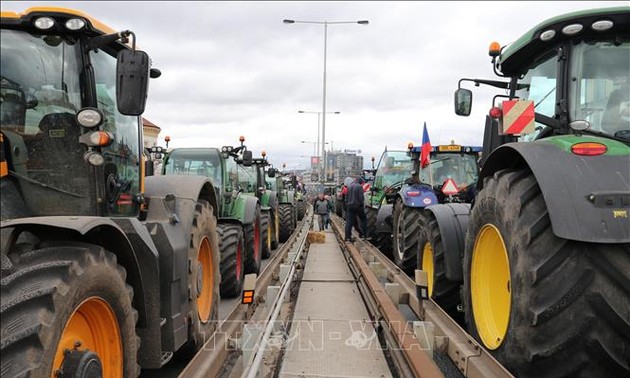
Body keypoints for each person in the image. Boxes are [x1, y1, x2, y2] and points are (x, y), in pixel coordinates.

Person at [345, 177, 368, 243]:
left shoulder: (349, 186)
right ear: (360, 181)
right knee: (363, 219)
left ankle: (347, 238)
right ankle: (364, 235)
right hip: (357, 206)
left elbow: (346, 198)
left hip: (350, 206)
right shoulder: (359, 187)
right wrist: (362, 206)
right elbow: (361, 198)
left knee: (349, 222)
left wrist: (347, 206)